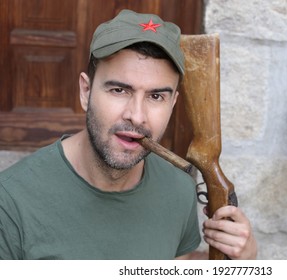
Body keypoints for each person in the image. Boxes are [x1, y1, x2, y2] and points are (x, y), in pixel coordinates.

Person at [0, 9, 257, 260]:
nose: (136, 115)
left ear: (173, 104)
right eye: (119, 90)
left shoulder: (179, 189)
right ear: (86, 92)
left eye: (156, 96)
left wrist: (240, 267)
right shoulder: (10, 201)